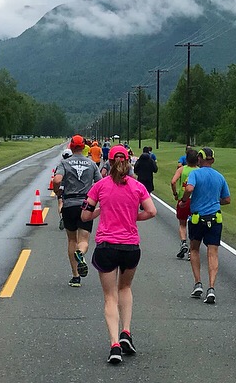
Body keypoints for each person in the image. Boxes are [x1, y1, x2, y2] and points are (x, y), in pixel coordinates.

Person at [81, 144, 157, 364]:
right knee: (125, 287)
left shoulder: (100, 187)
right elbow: (151, 211)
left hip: (106, 245)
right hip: (130, 246)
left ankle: (114, 344)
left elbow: (85, 216)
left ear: (110, 161)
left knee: (110, 296)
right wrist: (133, 218)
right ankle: (126, 331)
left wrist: (100, 211)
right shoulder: (137, 187)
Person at [182, 146, 231, 304]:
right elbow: (227, 199)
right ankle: (211, 287)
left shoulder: (195, 173)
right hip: (215, 218)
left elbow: (189, 188)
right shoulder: (219, 177)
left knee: (194, 248)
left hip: (197, 218)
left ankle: (198, 283)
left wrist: (184, 200)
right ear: (213, 160)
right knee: (213, 252)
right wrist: (215, 201)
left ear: (199, 159)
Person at [53, 134, 102, 288]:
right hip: (86, 203)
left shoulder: (65, 163)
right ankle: (81, 253)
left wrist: (57, 192)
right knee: (84, 240)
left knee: (72, 240)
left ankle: (75, 276)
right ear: (83, 147)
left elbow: (57, 180)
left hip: (69, 204)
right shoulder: (92, 164)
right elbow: (100, 183)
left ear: (71, 147)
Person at [169, 147, 199, 259]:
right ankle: (192, 249)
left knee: (182, 223)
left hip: (183, 199)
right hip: (196, 201)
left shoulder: (182, 169)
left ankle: (183, 243)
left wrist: (175, 193)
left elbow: (173, 181)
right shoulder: (199, 171)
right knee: (194, 224)